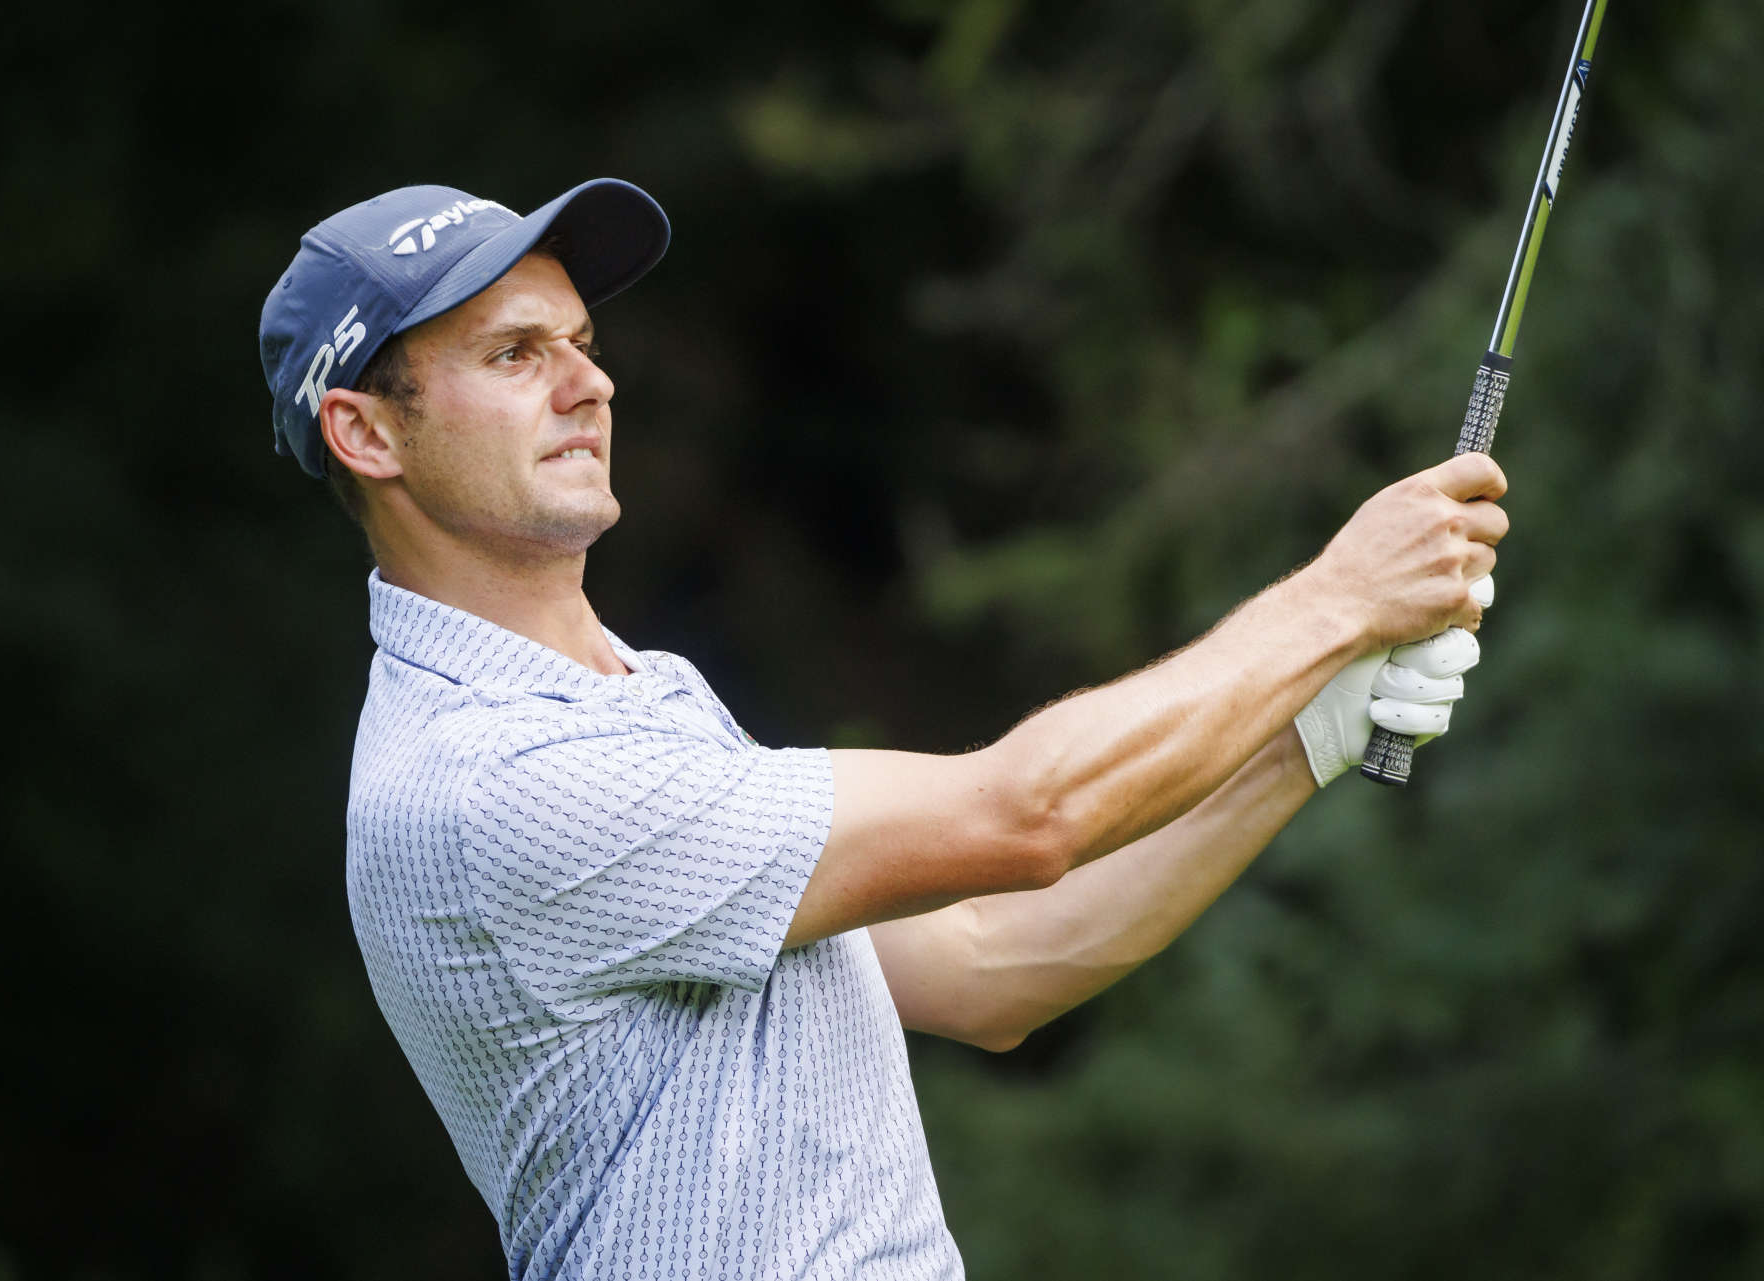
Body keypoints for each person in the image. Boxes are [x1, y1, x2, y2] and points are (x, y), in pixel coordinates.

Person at [257, 179, 1504, 1279]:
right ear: (367, 432)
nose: (592, 382)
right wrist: (1336, 601)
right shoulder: (493, 774)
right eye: (515, 354)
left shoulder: (636, 697)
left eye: (581, 341)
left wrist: (1304, 735)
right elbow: (1024, 816)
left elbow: (986, 965)